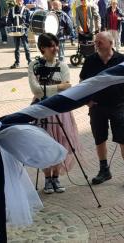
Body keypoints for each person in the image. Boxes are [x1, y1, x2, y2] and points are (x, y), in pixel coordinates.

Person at [80, 31, 124, 190]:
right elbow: (82, 82)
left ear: (111, 43)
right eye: (96, 41)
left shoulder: (122, 60)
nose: (96, 44)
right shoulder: (90, 60)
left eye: (100, 41)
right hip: (97, 107)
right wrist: (86, 101)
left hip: (118, 105)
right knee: (100, 139)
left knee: (123, 140)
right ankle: (104, 170)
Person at [27, 33, 81, 194]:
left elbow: (68, 86)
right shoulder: (34, 65)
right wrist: (57, 87)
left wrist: (48, 90)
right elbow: (36, 91)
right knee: (44, 145)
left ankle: (56, 177)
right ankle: (47, 179)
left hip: (60, 110)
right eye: (51, 46)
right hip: (42, 110)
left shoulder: (63, 66)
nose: (55, 49)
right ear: (42, 48)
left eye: (56, 45)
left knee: (60, 143)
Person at [7, 0, 31, 69]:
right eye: (17, 0)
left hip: (23, 31)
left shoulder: (26, 10)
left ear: (23, 1)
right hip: (15, 31)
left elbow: (28, 21)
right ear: (16, 1)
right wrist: (10, 25)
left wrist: (24, 25)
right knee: (16, 48)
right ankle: (17, 62)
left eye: (20, 0)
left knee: (26, 47)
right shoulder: (12, 9)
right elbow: (9, 19)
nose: (19, 1)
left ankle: (29, 61)